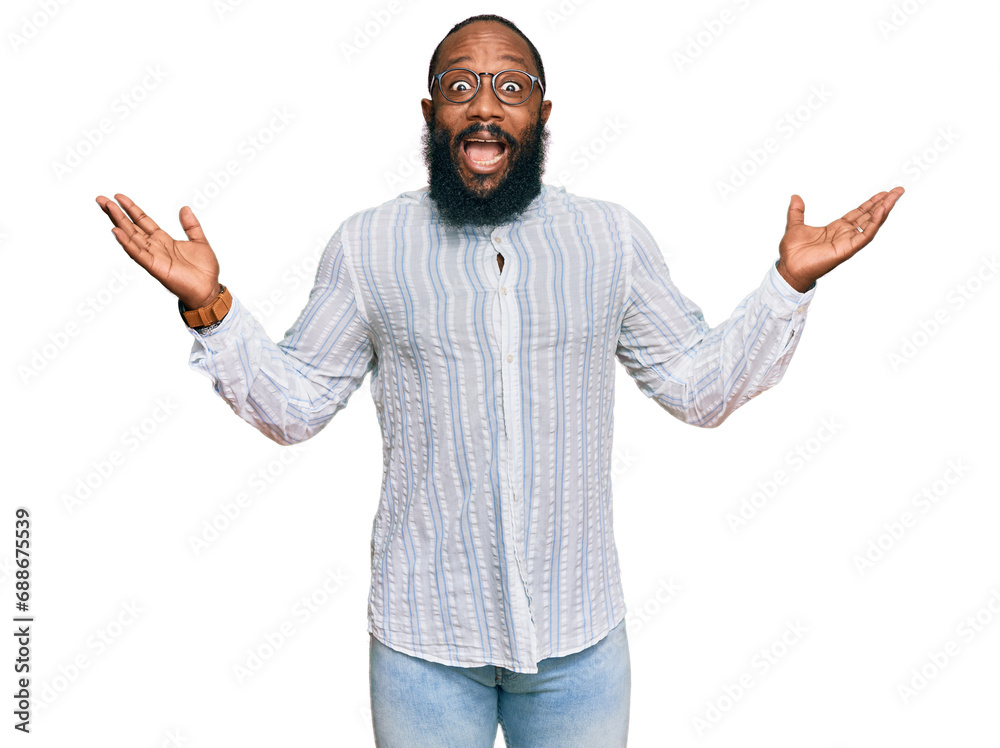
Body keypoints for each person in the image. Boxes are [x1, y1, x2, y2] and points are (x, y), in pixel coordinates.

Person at [95, 13, 903, 747]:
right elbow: (296, 405)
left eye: (511, 87)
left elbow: (699, 387)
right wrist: (209, 305)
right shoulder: (370, 247)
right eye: (460, 87)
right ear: (429, 115)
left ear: (544, 115)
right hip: (422, 646)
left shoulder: (609, 241)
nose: (486, 106)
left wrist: (788, 286)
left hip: (579, 644)